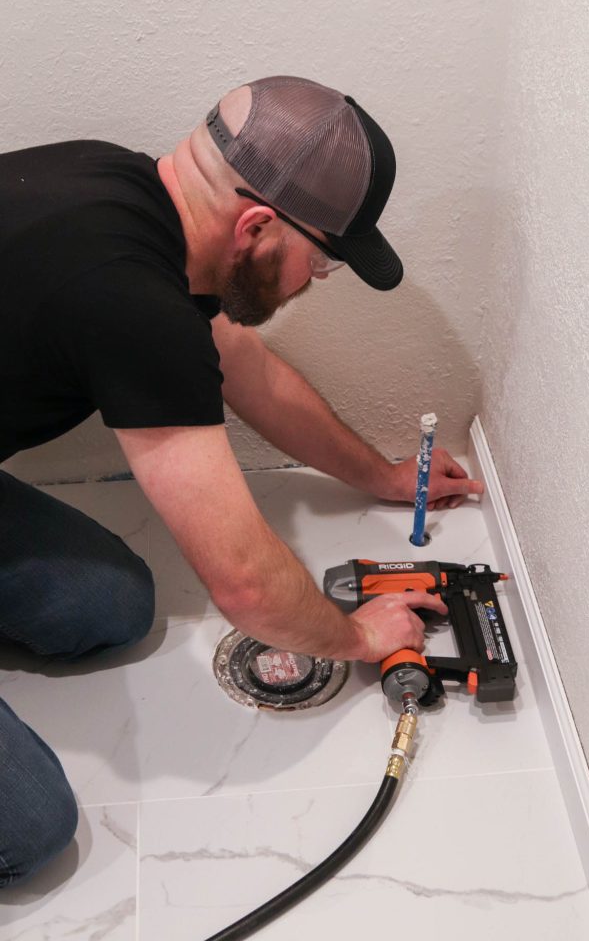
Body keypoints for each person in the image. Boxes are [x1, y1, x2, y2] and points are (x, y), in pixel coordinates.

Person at [0, 75, 483, 887]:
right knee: (33, 831)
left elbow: (245, 368)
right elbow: (247, 587)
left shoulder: (120, 186)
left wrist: (385, 475)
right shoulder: (132, 303)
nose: (311, 283)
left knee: (111, 607)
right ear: (258, 224)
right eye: (320, 263)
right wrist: (360, 636)